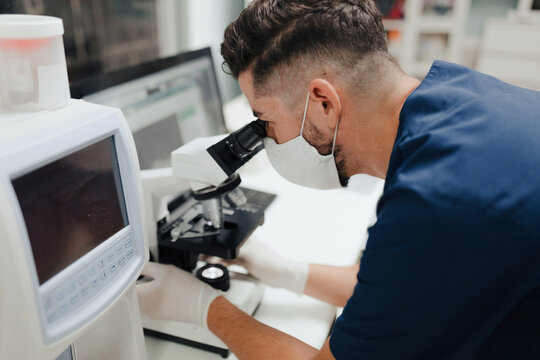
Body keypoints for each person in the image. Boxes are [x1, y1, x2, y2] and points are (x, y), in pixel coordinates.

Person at [137, 0, 540, 358]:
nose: (267, 137)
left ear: (324, 103)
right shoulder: (457, 96)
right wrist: (288, 271)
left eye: (264, 120)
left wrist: (204, 308)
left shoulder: (438, 200)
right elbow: (399, 287)